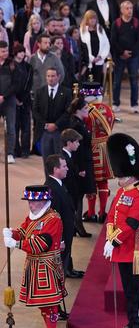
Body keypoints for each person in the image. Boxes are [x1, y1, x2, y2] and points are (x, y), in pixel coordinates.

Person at [103, 133, 139, 328]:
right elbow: (112, 216)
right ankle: (132, 321)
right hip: (122, 247)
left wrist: (113, 241)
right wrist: (110, 237)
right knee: (128, 290)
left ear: (132, 175)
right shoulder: (122, 192)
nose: (119, 179)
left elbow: (131, 224)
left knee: (137, 291)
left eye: (122, 176)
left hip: (135, 249)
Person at [2, 185, 66, 327]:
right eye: (28, 201)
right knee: (43, 306)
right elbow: (24, 231)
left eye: (33, 201)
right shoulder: (33, 217)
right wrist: (11, 233)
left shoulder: (53, 219)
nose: (30, 204)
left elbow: (41, 244)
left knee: (49, 306)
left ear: (44, 201)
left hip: (47, 268)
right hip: (34, 266)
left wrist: (16, 244)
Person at [79, 81, 114, 223]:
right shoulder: (108, 109)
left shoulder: (87, 112)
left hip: (91, 149)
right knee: (103, 182)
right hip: (106, 148)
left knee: (91, 181)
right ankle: (102, 213)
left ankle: (91, 212)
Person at [44, 153, 82, 280]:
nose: (67, 168)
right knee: (59, 267)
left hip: (66, 231)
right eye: (64, 166)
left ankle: (68, 270)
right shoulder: (52, 189)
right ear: (56, 170)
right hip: (61, 236)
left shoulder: (58, 184)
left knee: (65, 260)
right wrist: (59, 240)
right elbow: (53, 218)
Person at [32, 67, 72, 161]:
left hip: (60, 131)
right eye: (48, 76)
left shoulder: (66, 92)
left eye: (53, 76)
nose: (50, 78)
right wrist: (45, 125)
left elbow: (68, 112)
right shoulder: (40, 92)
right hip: (44, 131)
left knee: (60, 159)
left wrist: (56, 125)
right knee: (47, 160)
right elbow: (35, 110)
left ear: (58, 77)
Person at [111, 0, 139, 114]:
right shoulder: (117, 23)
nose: (130, 10)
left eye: (131, 8)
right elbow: (113, 41)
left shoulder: (136, 23)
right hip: (119, 56)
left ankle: (134, 104)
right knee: (117, 81)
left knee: (134, 81)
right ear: (122, 10)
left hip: (133, 56)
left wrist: (131, 52)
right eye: (127, 8)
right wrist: (122, 52)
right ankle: (115, 103)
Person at [59, 126, 91, 238]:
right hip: (69, 195)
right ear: (69, 143)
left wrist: (77, 173)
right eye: (76, 142)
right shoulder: (63, 158)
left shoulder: (69, 156)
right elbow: (66, 179)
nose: (78, 144)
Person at [79, 10, 111, 85]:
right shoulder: (82, 30)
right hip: (88, 62)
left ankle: (96, 97)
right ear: (86, 19)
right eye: (90, 18)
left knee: (97, 83)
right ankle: (88, 97)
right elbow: (83, 47)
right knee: (88, 83)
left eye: (94, 18)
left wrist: (100, 56)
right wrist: (92, 58)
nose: (93, 20)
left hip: (99, 61)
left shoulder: (100, 29)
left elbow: (106, 44)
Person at [12, 45, 32, 159]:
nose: (22, 54)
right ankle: (15, 149)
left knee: (26, 126)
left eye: (23, 52)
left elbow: (29, 84)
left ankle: (25, 150)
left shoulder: (28, 67)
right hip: (12, 98)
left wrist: (22, 99)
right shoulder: (11, 66)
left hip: (25, 99)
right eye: (19, 52)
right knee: (14, 126)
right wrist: (15, 98)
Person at [0, 41, 17, 164]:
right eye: (2, 51)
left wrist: (4, 96)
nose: (5, 53)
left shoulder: (12, 64)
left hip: (9, 100)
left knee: (11, 127)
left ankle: (10, 153)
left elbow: (15, 83)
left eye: (6, 50)